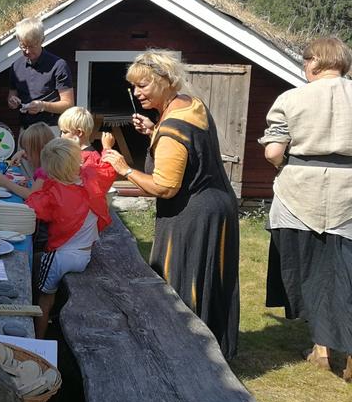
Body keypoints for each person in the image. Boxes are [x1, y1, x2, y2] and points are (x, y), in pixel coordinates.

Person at [102, 49, 240, 359]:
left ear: (167, 81)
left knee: (184, 278)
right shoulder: (191, 106)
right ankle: (209, 345)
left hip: (194, 212)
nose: (137, 93)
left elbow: (164, 187)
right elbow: (189, 151)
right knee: (209, 280)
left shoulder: (174, 128)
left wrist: (125, 169)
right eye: (134, 87)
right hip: (217, 204)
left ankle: (190, 349)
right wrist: (154, 130)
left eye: (144, 85)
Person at [259, 36, 352, 381]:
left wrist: (286, 165)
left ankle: (322, 350)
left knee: (310, 271)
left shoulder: (291, 98)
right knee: (345, 272)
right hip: (349, 195)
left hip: (299, 192)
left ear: (314, 61)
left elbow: (272, 153)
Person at [26, 138, 99, 338]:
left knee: (43, 297)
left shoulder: (54, 194)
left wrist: (42, 183)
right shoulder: (88, 183)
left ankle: (37, 338)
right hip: (85, 254)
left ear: (49, 170)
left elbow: (32, 206)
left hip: (62, 257)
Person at [7, 16, 74, 131]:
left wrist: (43, 106)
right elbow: (11, 97)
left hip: (51, 129)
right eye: (23, 46)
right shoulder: (16, 66)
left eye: (32, 46)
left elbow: (68, 104)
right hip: (25, 130)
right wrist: (13, 101)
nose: (27, 51)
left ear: (42, 40)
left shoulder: (58, 65)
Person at [58, 106, 117, 232]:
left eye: (64, 132)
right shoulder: (75, 153)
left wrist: (107, 148)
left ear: (79, 133)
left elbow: (104, 177)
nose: (61, 136)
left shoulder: (90, 159)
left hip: (80, 221)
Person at [0, 122, 55, 199]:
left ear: (39, 150)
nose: (25, 155)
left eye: (27, 151)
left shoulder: (45, 170)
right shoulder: (50, 165)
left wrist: (6, 183)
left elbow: (31, 195)